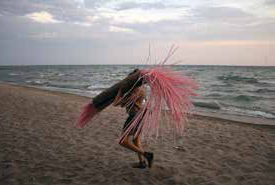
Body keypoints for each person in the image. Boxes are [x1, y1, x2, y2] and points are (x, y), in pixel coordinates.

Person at [113, 70, 154, 169]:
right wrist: (125, 100)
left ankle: (146, 154)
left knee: (122, 141)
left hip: (134, 117)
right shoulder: (142, 90)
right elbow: (124, 104)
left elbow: (115, 104)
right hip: (141, 117)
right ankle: (142, 163)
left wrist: (119, 91)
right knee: (136, 140)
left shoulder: (132, 92)